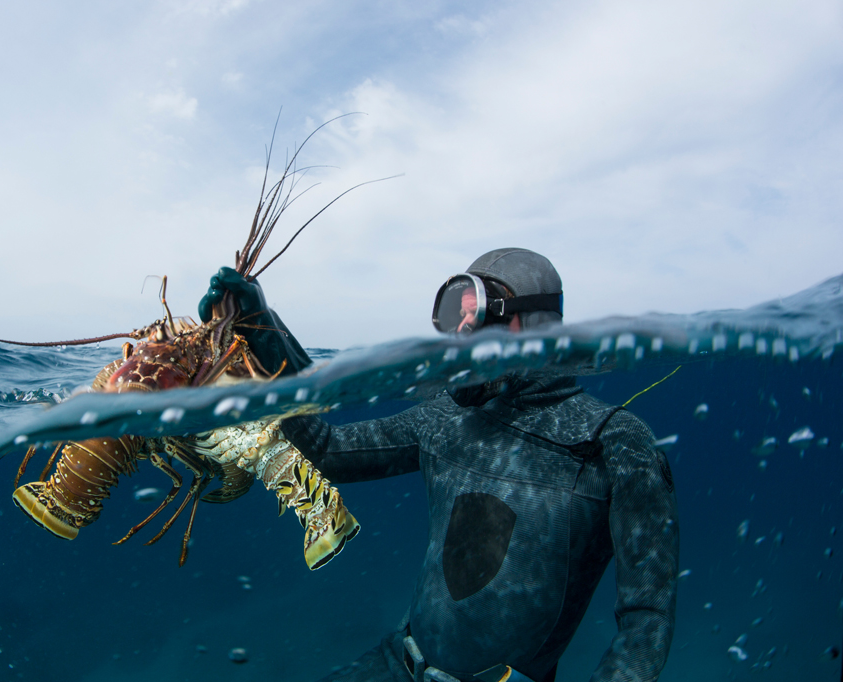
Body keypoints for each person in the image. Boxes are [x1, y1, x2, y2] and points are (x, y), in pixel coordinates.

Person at [199, 248, 679, 682]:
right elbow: (328, 450)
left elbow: (645, 621)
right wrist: (261, 327)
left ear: (535, 327)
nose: (459, 339)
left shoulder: (614, 442)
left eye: (476, 318)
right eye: (454, 318)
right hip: (398, 661)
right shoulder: (445, 415)